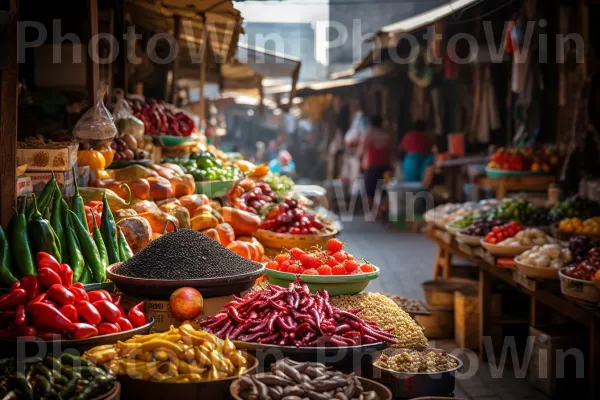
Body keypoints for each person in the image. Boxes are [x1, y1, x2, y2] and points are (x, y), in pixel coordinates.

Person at [359, 115, 393, 203]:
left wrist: (360, 166)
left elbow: (361, 153)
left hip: (372, 168)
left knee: (369, 192)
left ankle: (371, 214)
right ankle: (383, 212)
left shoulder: (369, 136)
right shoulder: (387, 136)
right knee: (387, 190)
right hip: (386, 169)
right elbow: (392, 154)